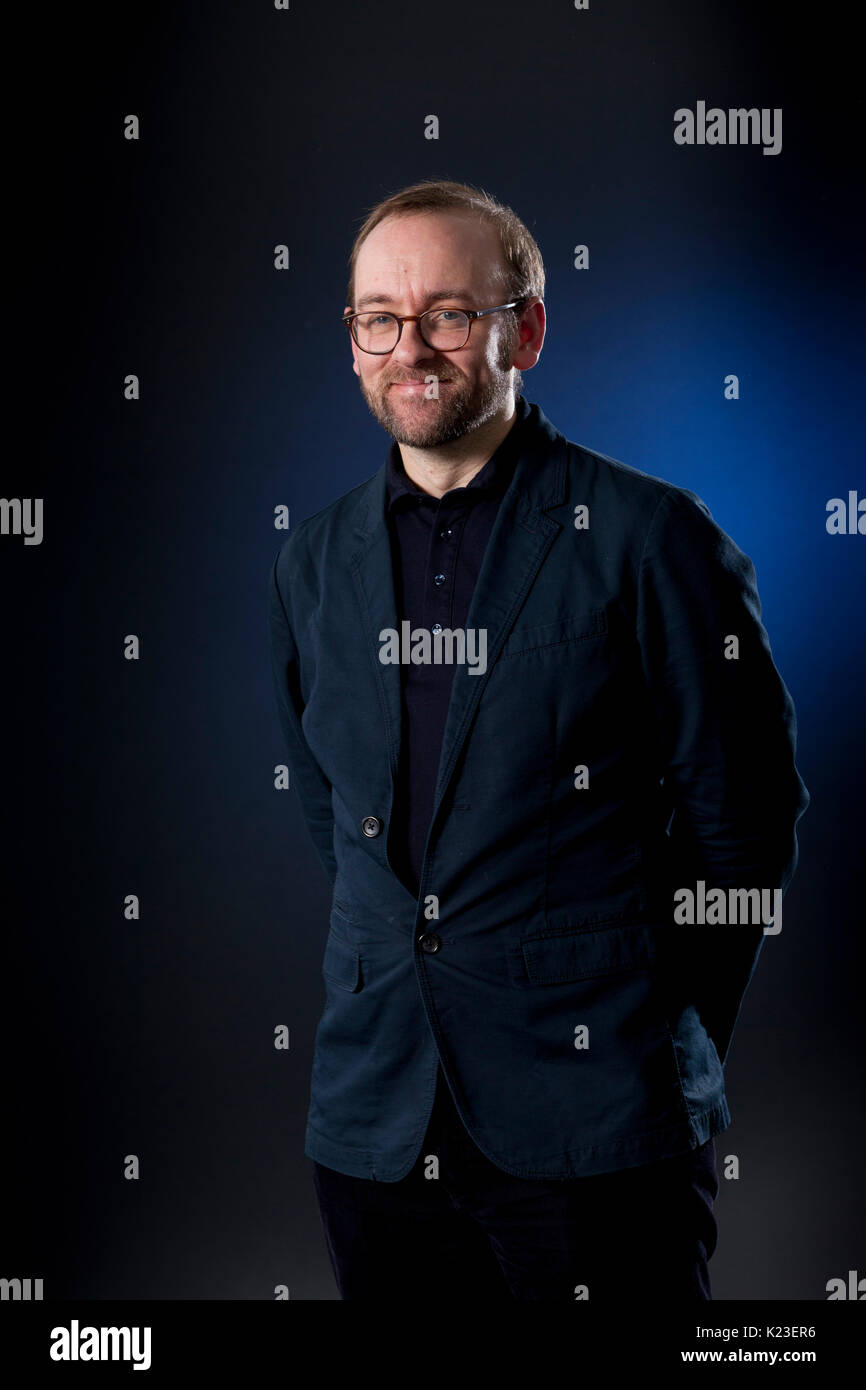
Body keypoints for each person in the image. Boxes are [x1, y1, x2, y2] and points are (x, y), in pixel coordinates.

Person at [267, 178, 809, 1301]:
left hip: (597, 1115)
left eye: (448, 314)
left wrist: (660, 1031)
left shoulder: (649, 537)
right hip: (375, 1120)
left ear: (525, 327)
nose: (410, 346)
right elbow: (337, 809)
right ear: (354, 340)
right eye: (380, 317)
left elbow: (743, 822)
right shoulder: (311, 562)